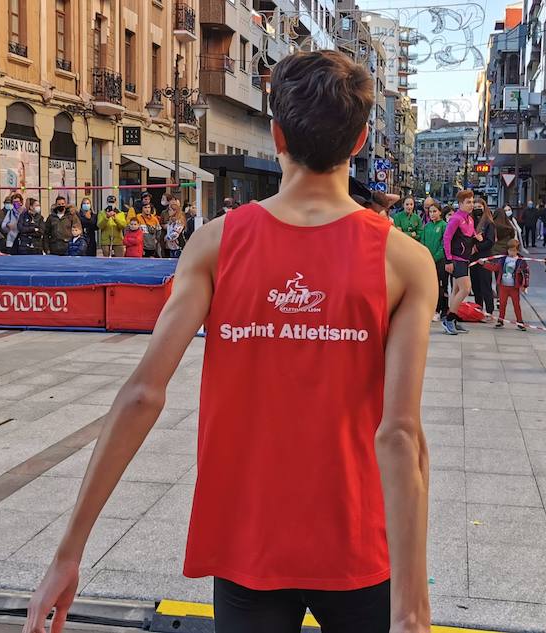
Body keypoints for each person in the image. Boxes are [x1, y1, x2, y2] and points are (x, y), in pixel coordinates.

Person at [25, 50, 432, 633]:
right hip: (360, 545)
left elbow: (142, 394)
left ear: (276, 135)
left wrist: (67, 554)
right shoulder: (404, 261)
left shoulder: (217, 243)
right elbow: (401, 435)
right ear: (363, 139)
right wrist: (412, 612)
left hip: (249, 543)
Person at [440, 189, 479, 335]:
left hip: (465, 258)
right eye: (468, 202)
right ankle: (449, 319)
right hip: (456, 259)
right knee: (466, 289)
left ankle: (453, 320)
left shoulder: (469, 219)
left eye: (472, 201)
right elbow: (447, 238)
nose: (471, 204)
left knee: (456, 290)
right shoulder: (456, 218)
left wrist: (476, 239)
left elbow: (470, 234)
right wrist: (448, 259)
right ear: (460, 203)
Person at [486, 238, 528, 330]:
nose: (511, 252)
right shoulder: (503, 259)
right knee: (502, 304)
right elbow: (496, 267)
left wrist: (525, 285)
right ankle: (500, 321)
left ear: (517, 250)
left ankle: (520, 322)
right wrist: (485, 264)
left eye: (513, 250)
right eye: (509, 250)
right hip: (503, 285)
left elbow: (526, 273)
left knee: (516, 305)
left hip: (514, 287)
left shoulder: (521, 261)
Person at [469, 199, 498, 316]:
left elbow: (490, 241)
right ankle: (478, 308)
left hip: (484, 257)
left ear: (484, 207)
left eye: (479, 206)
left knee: (485, 284)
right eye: (474, 206)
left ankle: (489, 310)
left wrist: (477, 247)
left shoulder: (488, 223)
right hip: (473, 258)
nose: (477, 209)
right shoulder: (470, 222)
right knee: (475, 285)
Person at [419, 204, 448, 321]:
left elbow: (444, 245)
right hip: (428, 261)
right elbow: (422, 242)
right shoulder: (427, 226)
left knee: (441, 286)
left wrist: (435, 257)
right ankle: (431, 309)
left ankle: (441, 310)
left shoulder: (444, 226)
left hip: (440, 261)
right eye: (430, 212)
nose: (432, 214)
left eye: (434, 211)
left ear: (440, 212)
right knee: (430, 286)